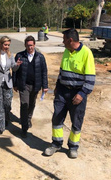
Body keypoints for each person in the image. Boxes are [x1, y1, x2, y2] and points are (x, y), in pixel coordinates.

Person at [44, 28, 95, 159]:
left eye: (64, 39)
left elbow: (90, 79)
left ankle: (73, 146)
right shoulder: (67, 51)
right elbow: (62, 71)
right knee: (57, 117)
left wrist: (82, 94)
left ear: (70, 40)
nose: (63, 42)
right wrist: (57, 87)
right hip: (62, 91)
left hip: (77, 94)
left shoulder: (86, 53)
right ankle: (56, 144)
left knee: (76, 121)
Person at [13, 35, 48, 138]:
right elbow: (14, 71)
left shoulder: (40, 57)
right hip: (24, 85)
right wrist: (15, 84)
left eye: (31, 45)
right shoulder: (19, 56)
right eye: (28, 45)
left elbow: (44, 72)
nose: (30, 47)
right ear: (25, 45)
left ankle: (28, 120)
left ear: (34, 45)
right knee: (24, 105)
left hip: (35, 85)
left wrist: (45, 86)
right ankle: (24, 128)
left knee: (32, 104)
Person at [0, 36, 22, 134]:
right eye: (5, 44)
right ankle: (0, 127)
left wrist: (17, 65)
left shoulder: (10, 55)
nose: (7, 47)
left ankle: (5, 118)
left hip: (8, 82)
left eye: (8, 45)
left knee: (7, 104)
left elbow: (13, 68)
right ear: (1, 44)